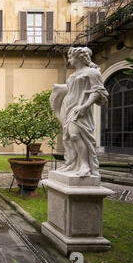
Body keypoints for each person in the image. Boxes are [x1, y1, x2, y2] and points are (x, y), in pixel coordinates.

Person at [51, 47, 109, 177]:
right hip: (68, 106)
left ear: (79, 57)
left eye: (70, 57)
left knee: (75, 135)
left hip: (80, 108)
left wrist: (85, 106)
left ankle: (84, 165)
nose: (69, 60)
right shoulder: (72, 75)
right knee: (68, 137)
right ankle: (71, 163)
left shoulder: (92, 73)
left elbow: (99, 91)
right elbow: (70, 91)